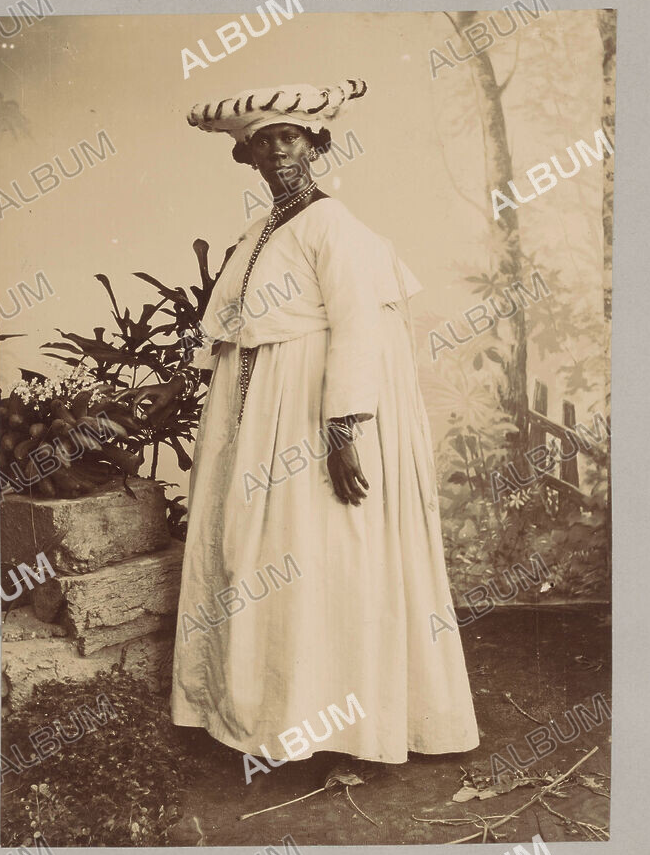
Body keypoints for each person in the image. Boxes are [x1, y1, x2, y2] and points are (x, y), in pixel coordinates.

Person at [130, 81, 479, 778]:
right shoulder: (262, 230)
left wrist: (342, 429)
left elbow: (357, 327)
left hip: (314, 408)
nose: (279, 150)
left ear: (317, 144)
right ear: (248, 157)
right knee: (268, 554)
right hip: (264, 411)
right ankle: (268, 710)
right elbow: (234, 328)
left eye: (291, 137)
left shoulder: (334, 227)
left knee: (321, 550)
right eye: (264, 141)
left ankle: (338, 719)